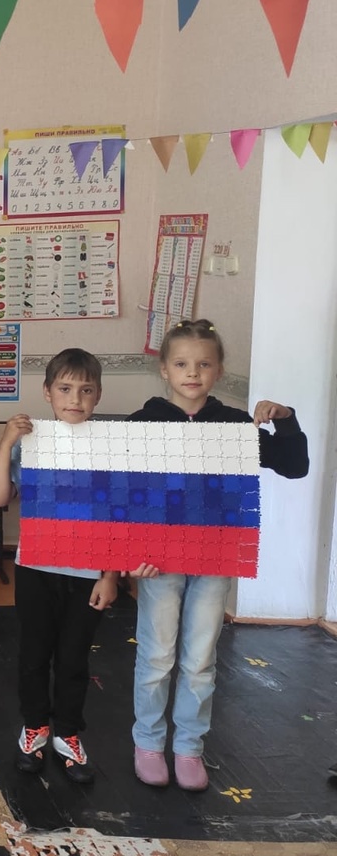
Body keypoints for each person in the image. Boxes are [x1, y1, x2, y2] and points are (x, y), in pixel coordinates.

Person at [129, 319, 308, 791]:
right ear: (165, 369)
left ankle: (190, 747)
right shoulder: (143, 423)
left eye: (204, 364)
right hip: (159, 561)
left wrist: (286, 418)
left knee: (200, 659)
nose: (193, 373)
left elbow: (294, 466)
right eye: (182, 364)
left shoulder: (234, 425)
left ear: (219, 370)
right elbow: (122, 495)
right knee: (157, 655)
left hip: (214, 558)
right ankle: (148, 743)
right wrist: (130, 553)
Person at [0, 349, 117, 783]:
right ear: (47, 392)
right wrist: (7, 442)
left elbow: (116, 517)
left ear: (98, 394)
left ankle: (68, 732)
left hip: (88, 574)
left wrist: (110, 575)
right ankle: (34, 726)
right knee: (33, 655)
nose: (75, 399)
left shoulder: (108, 446)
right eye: (64, 389)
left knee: (74, 658)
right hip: (36, 569)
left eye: (86, 390)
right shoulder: (32, 442)